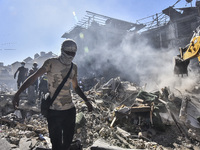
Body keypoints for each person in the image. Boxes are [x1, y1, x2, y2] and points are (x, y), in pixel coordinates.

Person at [12, 39, 93, 150]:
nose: (70, 56)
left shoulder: (74, 67)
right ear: (62, 50)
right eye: (68, 52)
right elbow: (33, 78)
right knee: (56, 144)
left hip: (70, 110)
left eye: (73, 53)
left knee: (68, 142)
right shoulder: (51, 63)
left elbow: (76, 87)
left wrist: (87, 101)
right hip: (54, 111)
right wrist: (17, 94)